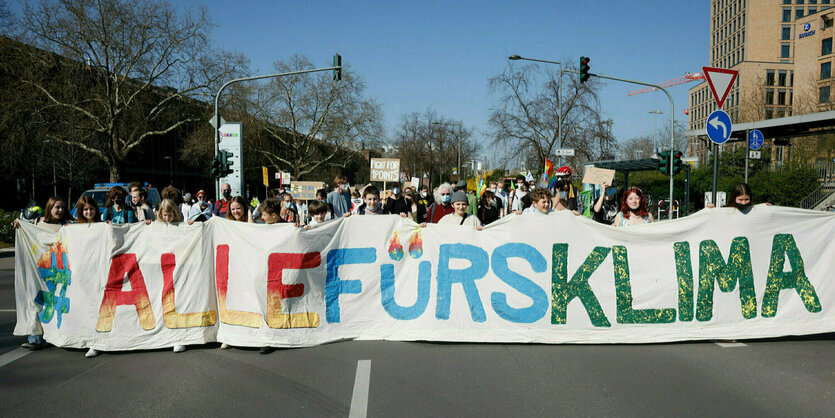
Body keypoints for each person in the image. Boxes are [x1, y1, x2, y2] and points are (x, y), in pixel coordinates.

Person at [14, 197, 72, 351]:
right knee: (36, 301)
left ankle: (56, 335)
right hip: (38, 270)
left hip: (58, 272)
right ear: (50, 207)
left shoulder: (67, 226)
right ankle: (35, 338)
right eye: (57, 207)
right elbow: (29, 235)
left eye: (62, 207)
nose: (60, 210)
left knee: (54, 303)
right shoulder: (37, 223)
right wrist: (20, 225)